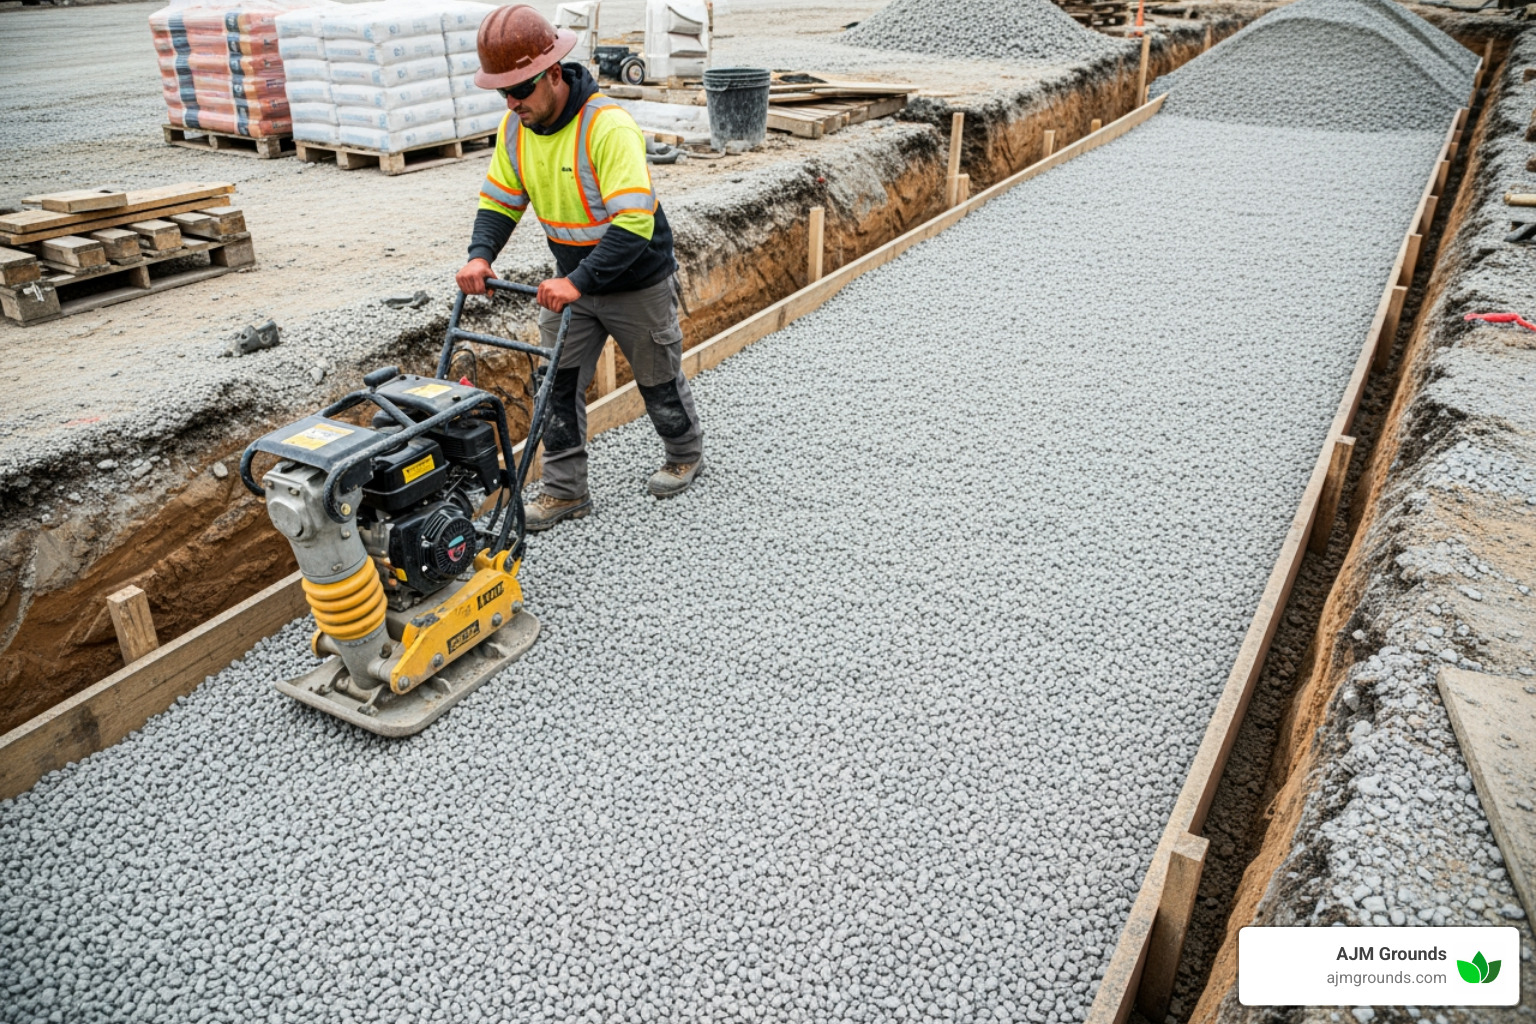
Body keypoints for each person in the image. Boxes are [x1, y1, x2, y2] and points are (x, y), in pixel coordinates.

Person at [456, 4, 704, 532]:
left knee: (657, 377)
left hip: (635, 277)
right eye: (503, 92)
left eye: (520, 90)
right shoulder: (515, 130)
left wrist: (577, 281)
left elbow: (634, 226)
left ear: (552, 73)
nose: (511, 102)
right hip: (573, 285)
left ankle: (684, 453)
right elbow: (500, 202)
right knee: (555, 386)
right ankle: (567, 492)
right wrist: (481, 255)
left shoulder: (607, 126)